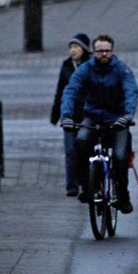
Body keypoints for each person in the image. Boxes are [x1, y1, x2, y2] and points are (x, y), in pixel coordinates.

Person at [60, 34, 138, 213]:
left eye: (107, 51)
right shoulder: (86, 69)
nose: (104, 54)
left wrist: (127, 115)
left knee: (120, 156)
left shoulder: (121, 69)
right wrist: (66, 116)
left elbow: (131, 91)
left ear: (112, 51)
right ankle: (87, 186)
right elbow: (71, 90)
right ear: (93, 52)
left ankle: (122, 195)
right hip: (93, 117)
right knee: (80, 142)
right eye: (100, 51)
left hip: (117, 118)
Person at [50, 32, 92, 196]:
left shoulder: (91, 66)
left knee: (84, 149)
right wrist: (55, 115)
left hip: (87, 114)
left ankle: (85, 181)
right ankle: (71, 186)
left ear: (84, 49)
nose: (73, 50)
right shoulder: (66, 66)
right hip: (70, 115)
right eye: (71, 47)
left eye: (76, 47)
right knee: (70, 151)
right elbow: (60, 91)